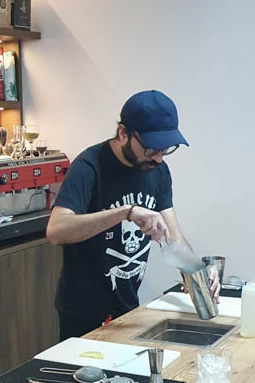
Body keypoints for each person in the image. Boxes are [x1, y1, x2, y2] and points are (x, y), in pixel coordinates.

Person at [46, 89, 218, 339]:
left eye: (165, 150)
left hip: (128, 309)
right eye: (151, 148)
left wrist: (199, 272)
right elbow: (56, 230)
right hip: (83, 312)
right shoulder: (89, 166)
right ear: (123, 133)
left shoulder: (158, 172)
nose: (158, 158)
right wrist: (125, 213)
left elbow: (174, 238)